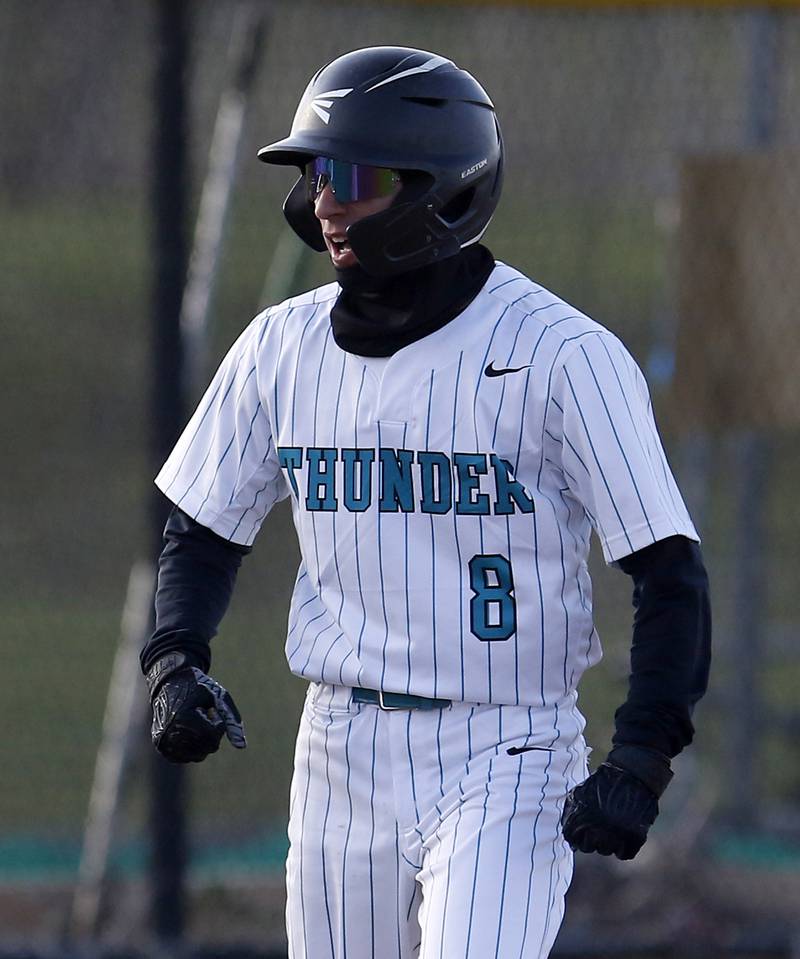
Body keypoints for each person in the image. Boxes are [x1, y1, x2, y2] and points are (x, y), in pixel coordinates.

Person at [141, 46, 711, 959]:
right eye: (318, 172)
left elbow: (669, 570)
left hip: (508, 751)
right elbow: (201, 530)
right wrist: (174, 660)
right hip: (338, 747)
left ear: (440, 189)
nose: (325, 200)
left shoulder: (565, 356)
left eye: (355, 175)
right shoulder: (278, 347)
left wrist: (643, 753)